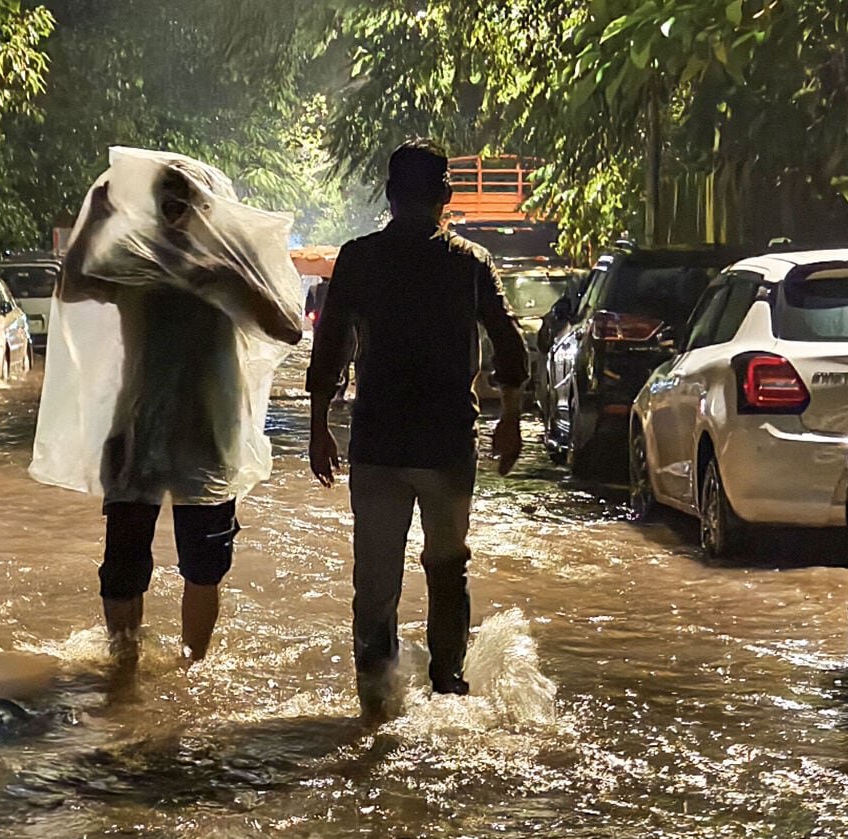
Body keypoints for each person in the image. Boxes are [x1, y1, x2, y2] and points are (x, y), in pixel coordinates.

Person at [305, 139, 528, 722]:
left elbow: (330, 347)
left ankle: (375, 708)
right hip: (446, 446)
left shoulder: (359, 259)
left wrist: (319, 426)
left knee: (375, 577)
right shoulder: (470, 264)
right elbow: (509, 343)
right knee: (448, 567)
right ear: (446, 197)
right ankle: (449, 689)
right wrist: (509, 417)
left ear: (388, 195)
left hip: (377, 445)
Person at [57, 161, 303, 664]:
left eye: (183, 198)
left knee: (204, 565)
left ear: (204, 207)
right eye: (164, 197)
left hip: (208, 433)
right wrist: (96, 222)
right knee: (122, 564)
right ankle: (122, 673)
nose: (174, 207)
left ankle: (192, 669)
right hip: (137, 428)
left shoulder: (231, 264)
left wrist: (236, 281)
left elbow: (289, 330)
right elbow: (72, 288)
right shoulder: (135, 260)